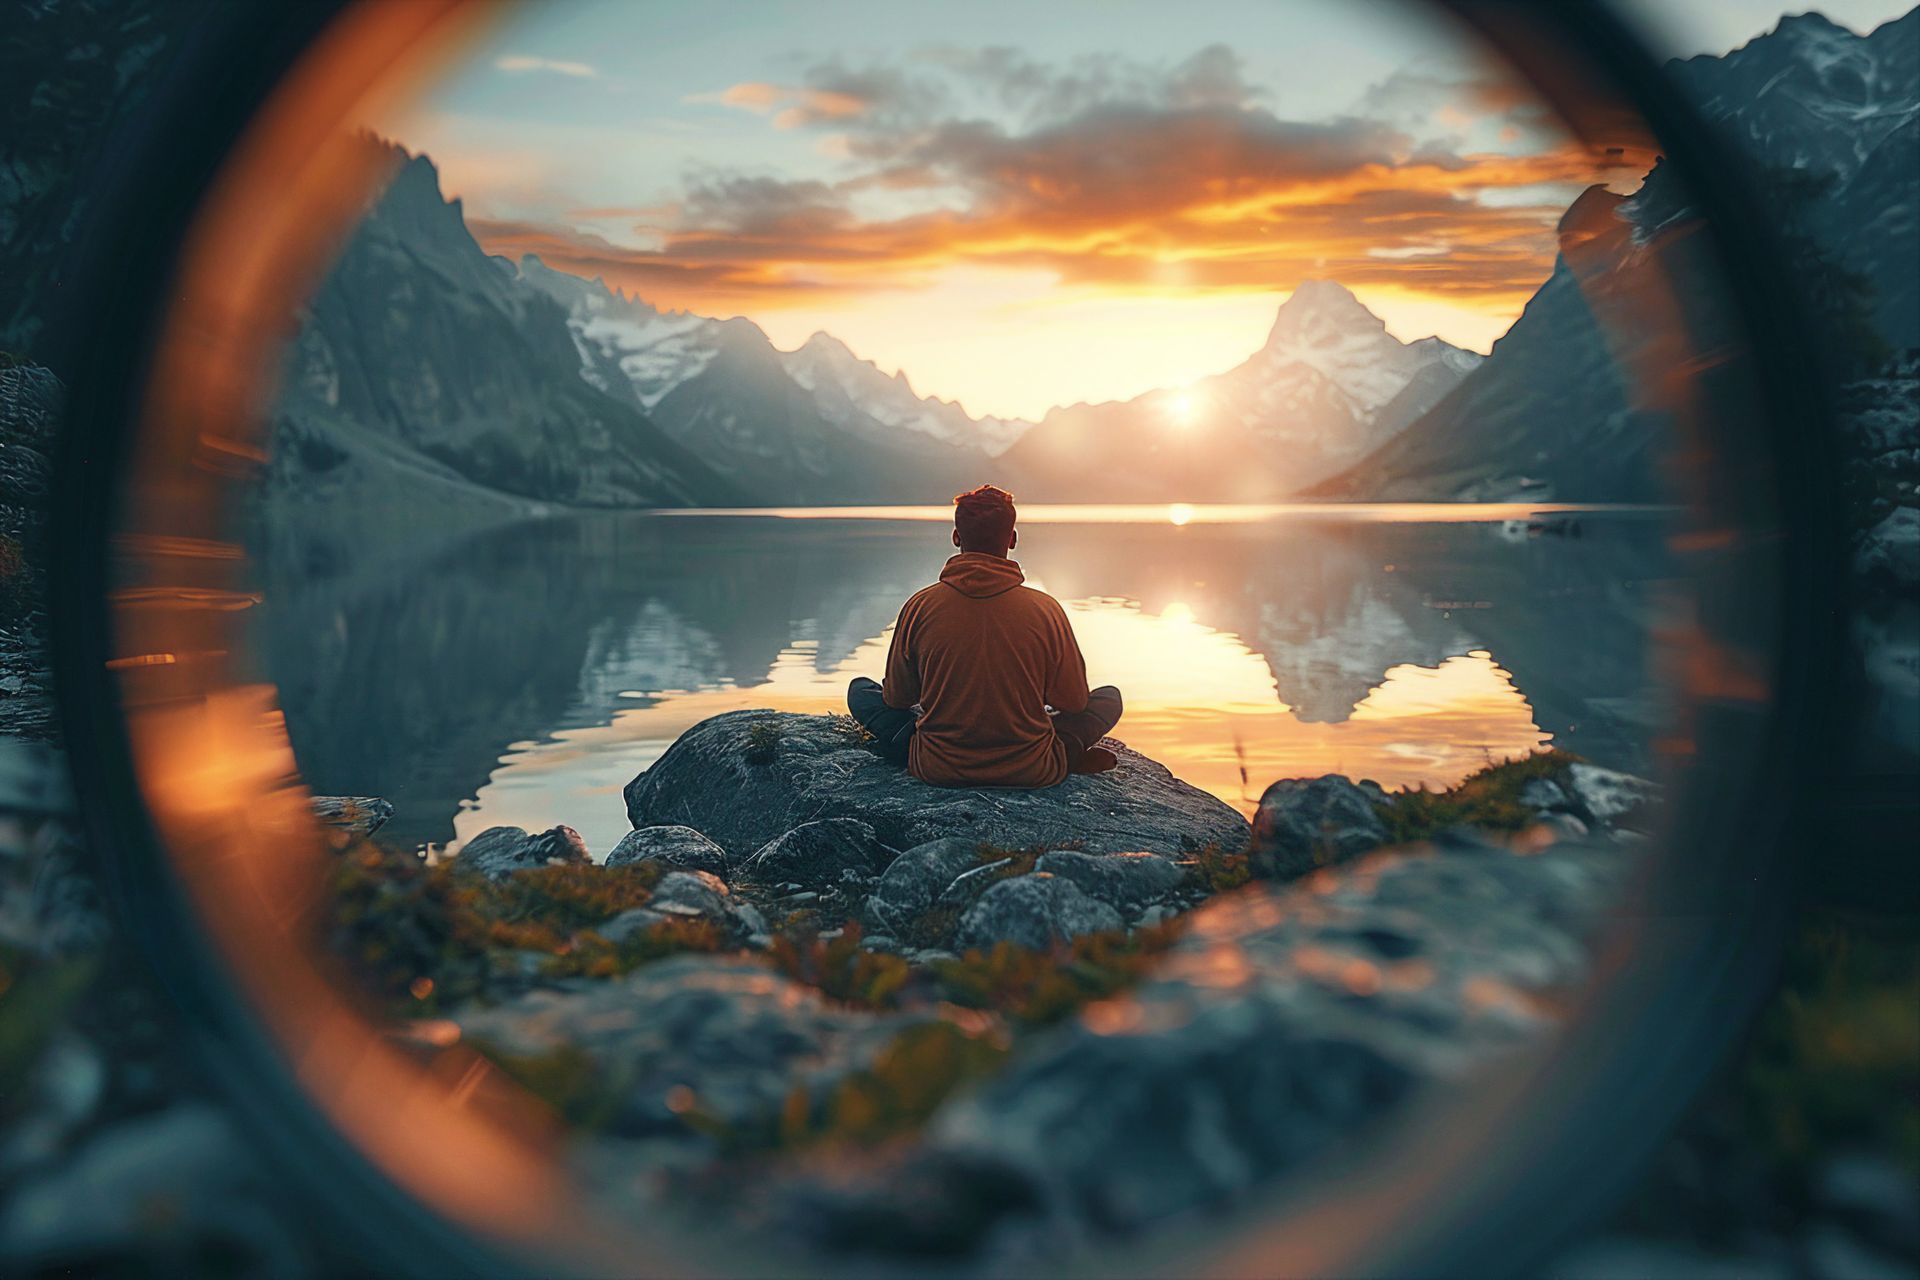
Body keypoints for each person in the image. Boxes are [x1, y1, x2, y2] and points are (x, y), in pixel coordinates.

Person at [848, 484, 1123, 787]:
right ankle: (1067, 751)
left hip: (937, 766)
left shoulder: (920, 606)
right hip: (1034, 768)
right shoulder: (1046, 609)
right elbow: (1074, 702)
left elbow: (898, 698)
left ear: (956, 537)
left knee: (860, 691)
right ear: (1013, 539)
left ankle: (901, 749)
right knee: (1108, 698)